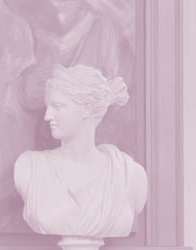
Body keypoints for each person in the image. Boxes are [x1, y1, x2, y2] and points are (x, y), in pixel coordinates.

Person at [13, 64, 147, 238]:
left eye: (58, 106)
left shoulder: (129, 175)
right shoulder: (29, 168)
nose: (47, 116)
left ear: (86, 109)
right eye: (48, 106)